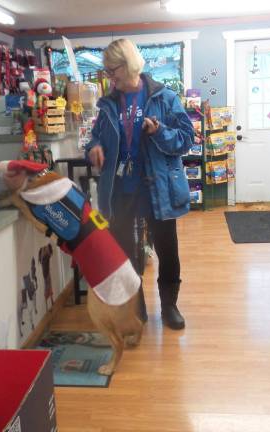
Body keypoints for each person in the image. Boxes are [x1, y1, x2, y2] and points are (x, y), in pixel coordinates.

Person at [85, 39, 194, 330]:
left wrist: (159, 132)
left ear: (129, 64)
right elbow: (95, 137)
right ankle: (137, 307)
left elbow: (186, 139)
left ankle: (169, 306)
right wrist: (94, 148)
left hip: (158, 189)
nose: (110, 77)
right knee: (126, 254)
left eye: (113, 70)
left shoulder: (164, 97)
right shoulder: (108, 104)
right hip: (122, 192)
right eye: (107, 71)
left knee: (167, 251)